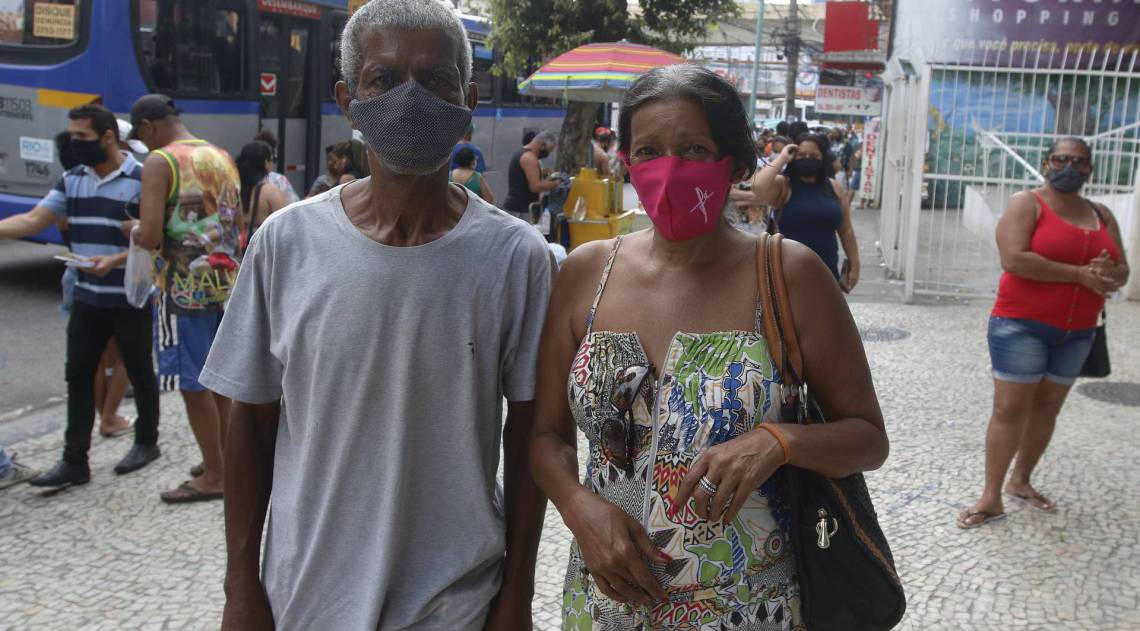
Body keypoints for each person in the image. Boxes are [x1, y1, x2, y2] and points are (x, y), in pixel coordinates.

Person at [200, 1, 552, 628]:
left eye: (437, 79)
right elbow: (249, 426)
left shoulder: (516, 257)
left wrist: (517, 597)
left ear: (467, 99)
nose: (411, 98)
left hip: (457, 603)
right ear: (347, 97)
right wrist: (240, 589)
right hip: (304, 597)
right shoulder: (286, 243)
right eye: (384, 79)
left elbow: (530, 439)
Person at [529, 64, 889, 629]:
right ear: (626, 161)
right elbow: (545, 435)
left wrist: (780, 441)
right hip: (605, 604)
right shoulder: (586, 274)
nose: (669, 170)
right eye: (648, 151)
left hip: (749, 608)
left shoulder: (790, 275)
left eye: (694, 148)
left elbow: (868, 438)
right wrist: (578, 509)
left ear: (738, 163)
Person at [958, 138, 1129, 529]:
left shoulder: (1101, 214)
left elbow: (1123, 272)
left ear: (1090, 168)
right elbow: (1014, 259)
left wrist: (1108, 273)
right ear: (1046, 163)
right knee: (1009, 409)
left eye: (1079, 161)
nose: (1069, 166)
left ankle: (1021, 481)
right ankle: (991, 495)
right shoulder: (1027, 203)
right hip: (1022, 325)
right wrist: (1079, 274)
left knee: (1047, 408)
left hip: (1079, 331)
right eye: (1061, 159)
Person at [0, 104, 162, 488]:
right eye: (72, 136)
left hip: (129, 295)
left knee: (139, 369)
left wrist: (118, 258)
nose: (74, 144)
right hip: (88, 298)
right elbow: (34, 219)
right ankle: (74, 460)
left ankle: (146, 441)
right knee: (78, 376)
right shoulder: (72, 178)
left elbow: (159, 239)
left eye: (82, 137)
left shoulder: (142, 178)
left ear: (108, 138)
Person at [127, 94, 242, 504]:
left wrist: (134, 228)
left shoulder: (161, 161)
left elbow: (152, 234)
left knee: (193, 384)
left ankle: (215, 475)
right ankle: (227, 459)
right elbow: (236, 223)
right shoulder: (220, 156)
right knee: (222, 381)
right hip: (225, 282)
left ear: (147, 128)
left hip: (182, 287)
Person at [751, 132, 861, 291]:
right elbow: (758, 186)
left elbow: (846, 230)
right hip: (788, 273)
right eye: (801, 155)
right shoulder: (784, 186)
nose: (807, 159)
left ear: (823, 158)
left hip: (827, 271)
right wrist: (782, 157)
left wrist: (855, 265)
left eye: (813, 155)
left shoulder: (833, 186)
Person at [502, 130, 561, 222]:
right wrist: (556, 183)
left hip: (516, 208)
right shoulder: (529, 158)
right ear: (542, 145)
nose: (547, 154)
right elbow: (535, 186)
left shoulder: (523, 153)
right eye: (548, 151)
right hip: (520, 211)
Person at [236, 141, 288, 237]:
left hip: (242, 246)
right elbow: (285, 226)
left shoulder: (236, 189)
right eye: (272, 159)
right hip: (264, 246)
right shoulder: (270, 191)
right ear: (266, 163)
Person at [252, 130, 301, 205]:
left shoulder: (244, 180)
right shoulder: (279, 180)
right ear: (267, 162)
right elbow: (294, 206)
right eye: (273, 159)